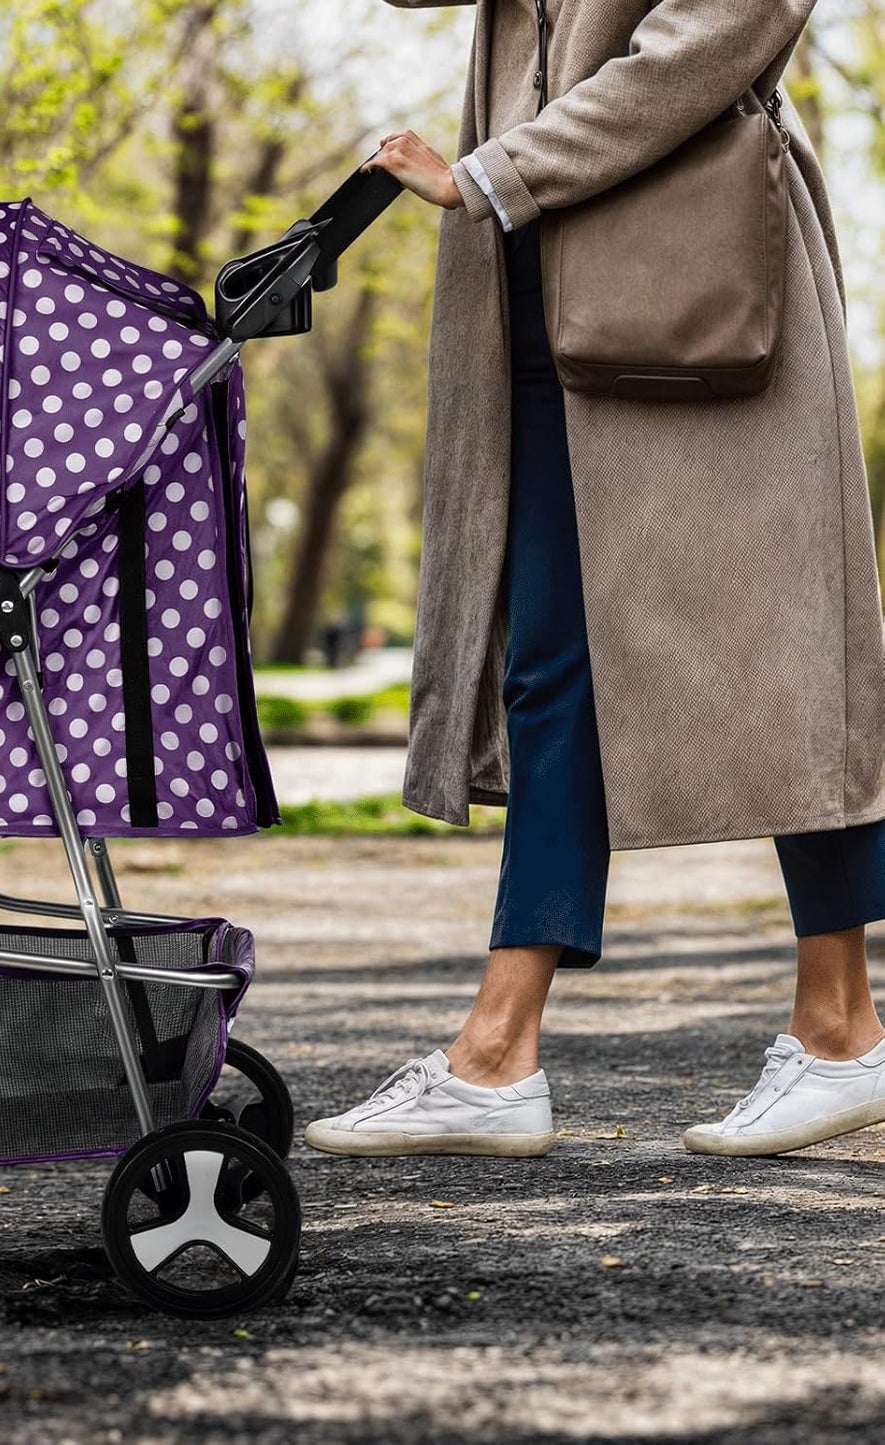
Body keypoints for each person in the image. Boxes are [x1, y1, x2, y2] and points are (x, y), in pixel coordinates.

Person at [305, 0, 885, 1161]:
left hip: (695, 284)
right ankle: (495, 1054)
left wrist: (490, 173)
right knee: (549, 666)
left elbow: (717, 35)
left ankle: (837, 1025)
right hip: (528, 285)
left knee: (784, 642)